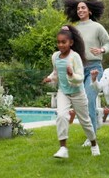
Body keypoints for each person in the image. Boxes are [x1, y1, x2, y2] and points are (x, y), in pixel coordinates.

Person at [43, 25, 100, 158]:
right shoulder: (55, 56)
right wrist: (50, 78)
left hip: (77, 93)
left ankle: (94, 144)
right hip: (63, 92)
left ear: (71, 43)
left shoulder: (75, 57)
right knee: (61, 116)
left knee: (85, 121)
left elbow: (79, 78)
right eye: (58, 42)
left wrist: (72, 74)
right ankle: (63, 148)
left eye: (64, 42)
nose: (60, 45)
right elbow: (56, 72)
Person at [64, 0, 109, 147]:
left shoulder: (97, 27)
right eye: (78, 8)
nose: (80, 10)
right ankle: (94, 120)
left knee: (88, 99)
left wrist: (102, 50)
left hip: (94, 68)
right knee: (81, 103)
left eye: (83, 8)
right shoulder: (74, 29)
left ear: (89, 11)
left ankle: (91, 136)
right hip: (78, 68)